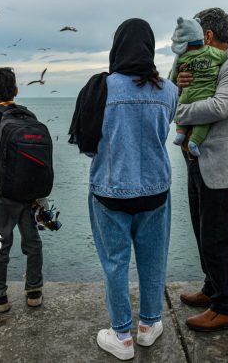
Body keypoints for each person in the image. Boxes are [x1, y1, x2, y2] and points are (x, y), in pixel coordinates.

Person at [69, 18, 177, 360]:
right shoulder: (169, 91)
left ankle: (121, 336)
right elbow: (164, 129)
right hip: (155, 191)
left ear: (117, 46)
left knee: (115, 263)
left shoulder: (100, 88)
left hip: (109, 191)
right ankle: (148, 327)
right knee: (153, 260)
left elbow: (87, 146)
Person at [174, 8, 228, 331]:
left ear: (206, 36)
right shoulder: (202, 63)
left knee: (215, 236)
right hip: (197, 160)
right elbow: (196, 93)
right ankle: (211, 288)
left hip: (219, 165)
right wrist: (181, 84)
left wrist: (178, 109)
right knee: (200, 229)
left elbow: (220, 106)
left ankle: (225, 307)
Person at [0, 67, 44, 312]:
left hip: (1, 194)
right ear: (16, 90)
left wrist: (5, 173)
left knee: (0, 244)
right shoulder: (28, 116)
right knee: (32, 241)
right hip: (29, 192)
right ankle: (34, 291)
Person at [169, 16, 228, 157]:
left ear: (208, 35)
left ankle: (179, 134)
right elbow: (224, 57)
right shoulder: (214, 54)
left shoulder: (182, 58)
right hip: (203, 96)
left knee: (191, 108)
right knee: (203, 123)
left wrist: (177, 112)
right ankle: (194, 141)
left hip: (186, 98)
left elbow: (217, 109)